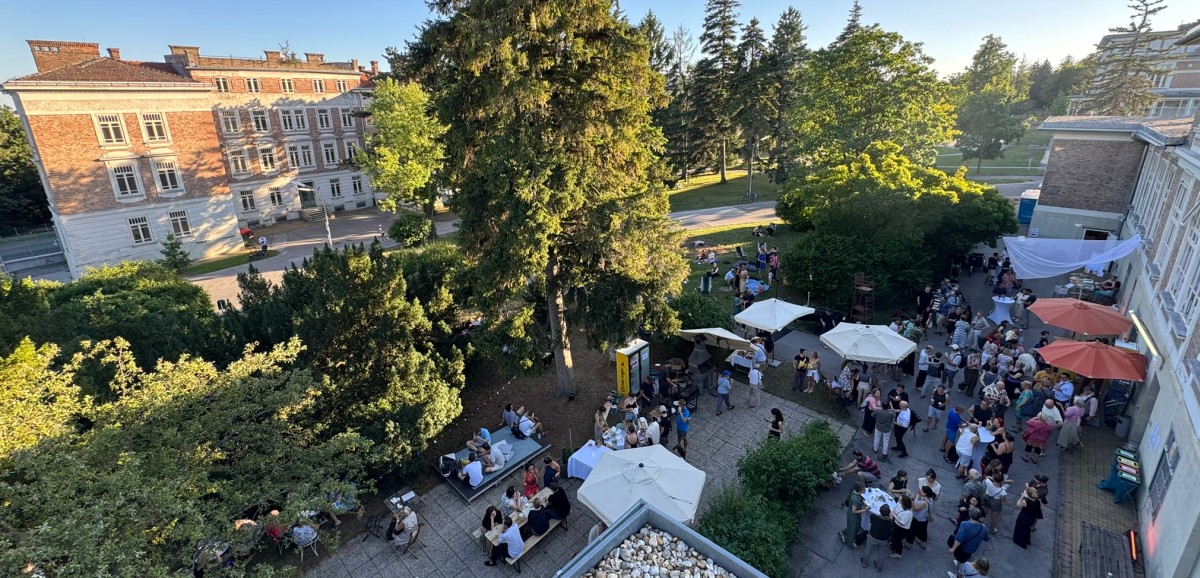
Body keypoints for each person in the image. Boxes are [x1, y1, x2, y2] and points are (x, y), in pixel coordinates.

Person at [861, 504, 895, 572]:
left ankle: (864, 563)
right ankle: (878, 567)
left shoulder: (873, 517)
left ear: (880, 511)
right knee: (882, 554)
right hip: (883, 540)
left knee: (868, 550)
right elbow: (891, 521)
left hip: (872, 537)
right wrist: (891, 516)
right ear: (889, 513)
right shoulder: (890, 522)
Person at [841, 481, 870, 547]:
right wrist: (864, 510)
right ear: (860, 490)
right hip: (853, 517)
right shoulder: (855, 500)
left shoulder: (855, 492)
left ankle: (844, 532)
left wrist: (864, 503)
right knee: (853, 529)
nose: (865, 489)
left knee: (854, 527)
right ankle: (849, 542)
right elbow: (854, 511)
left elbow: (860, 499)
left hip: (853, 515)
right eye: (863, 489)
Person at [910, 486, 934, 550]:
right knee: (922, 531)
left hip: (917, 518)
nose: (920, 490)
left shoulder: (923, 502)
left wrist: (912, 499)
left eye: (922, 490)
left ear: (925, 493)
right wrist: (919, 494)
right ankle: (921, 541)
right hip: (924, 518)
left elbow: (915, 508)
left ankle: (908, 544)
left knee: (912, 531)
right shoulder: (930, 499)